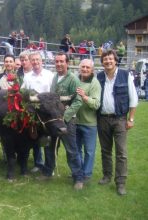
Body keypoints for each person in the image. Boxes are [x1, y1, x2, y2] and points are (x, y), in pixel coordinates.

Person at [97, 50, 138, 195]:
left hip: (120, 119)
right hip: (102, 119)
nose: (108, 61)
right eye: (105, 59)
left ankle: (120, 182)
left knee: (121, 152)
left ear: (115, 60)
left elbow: (133, 99)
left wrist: (131, 119)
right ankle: (107, 176)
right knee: (105, 150)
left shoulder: (125, 75)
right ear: (102, 62)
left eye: (110, 59)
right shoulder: (99, 76)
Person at [42, 51, 84, 190]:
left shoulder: (73, 79)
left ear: (67, 63)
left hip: (67, 121)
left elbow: (78, 101)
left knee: (71, 150)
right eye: (57, 61)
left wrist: (64, 117)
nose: (59, 64)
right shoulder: (55, 77)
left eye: (61, 61)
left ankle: (78, 178)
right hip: (54, 120)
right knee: (49, 146)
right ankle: (48, 172)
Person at [21, 52, 54, 173]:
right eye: (33, 60)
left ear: (42, 60)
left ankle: (49, 166)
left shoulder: (50, 75)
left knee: (47, 139)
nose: (35, 62)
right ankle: (38, 163)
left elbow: (53, 93)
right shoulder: (27, 76)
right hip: (33, 112)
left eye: (37, 59)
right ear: (30, 61)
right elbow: (23, 91)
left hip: (46, 112)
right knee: (34, 137)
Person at [76, 59, 101, 181]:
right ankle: (79, 171)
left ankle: (87, 174)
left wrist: (85, 97)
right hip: (74, 122)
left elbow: (96, 104)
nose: (85, 69)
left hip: (89, 124)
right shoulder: (75, 80)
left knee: (89, 151)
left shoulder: (94, 83)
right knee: (76, 150)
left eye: (87, 67)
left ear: (92, 70)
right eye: (83, 67)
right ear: (79, 68)